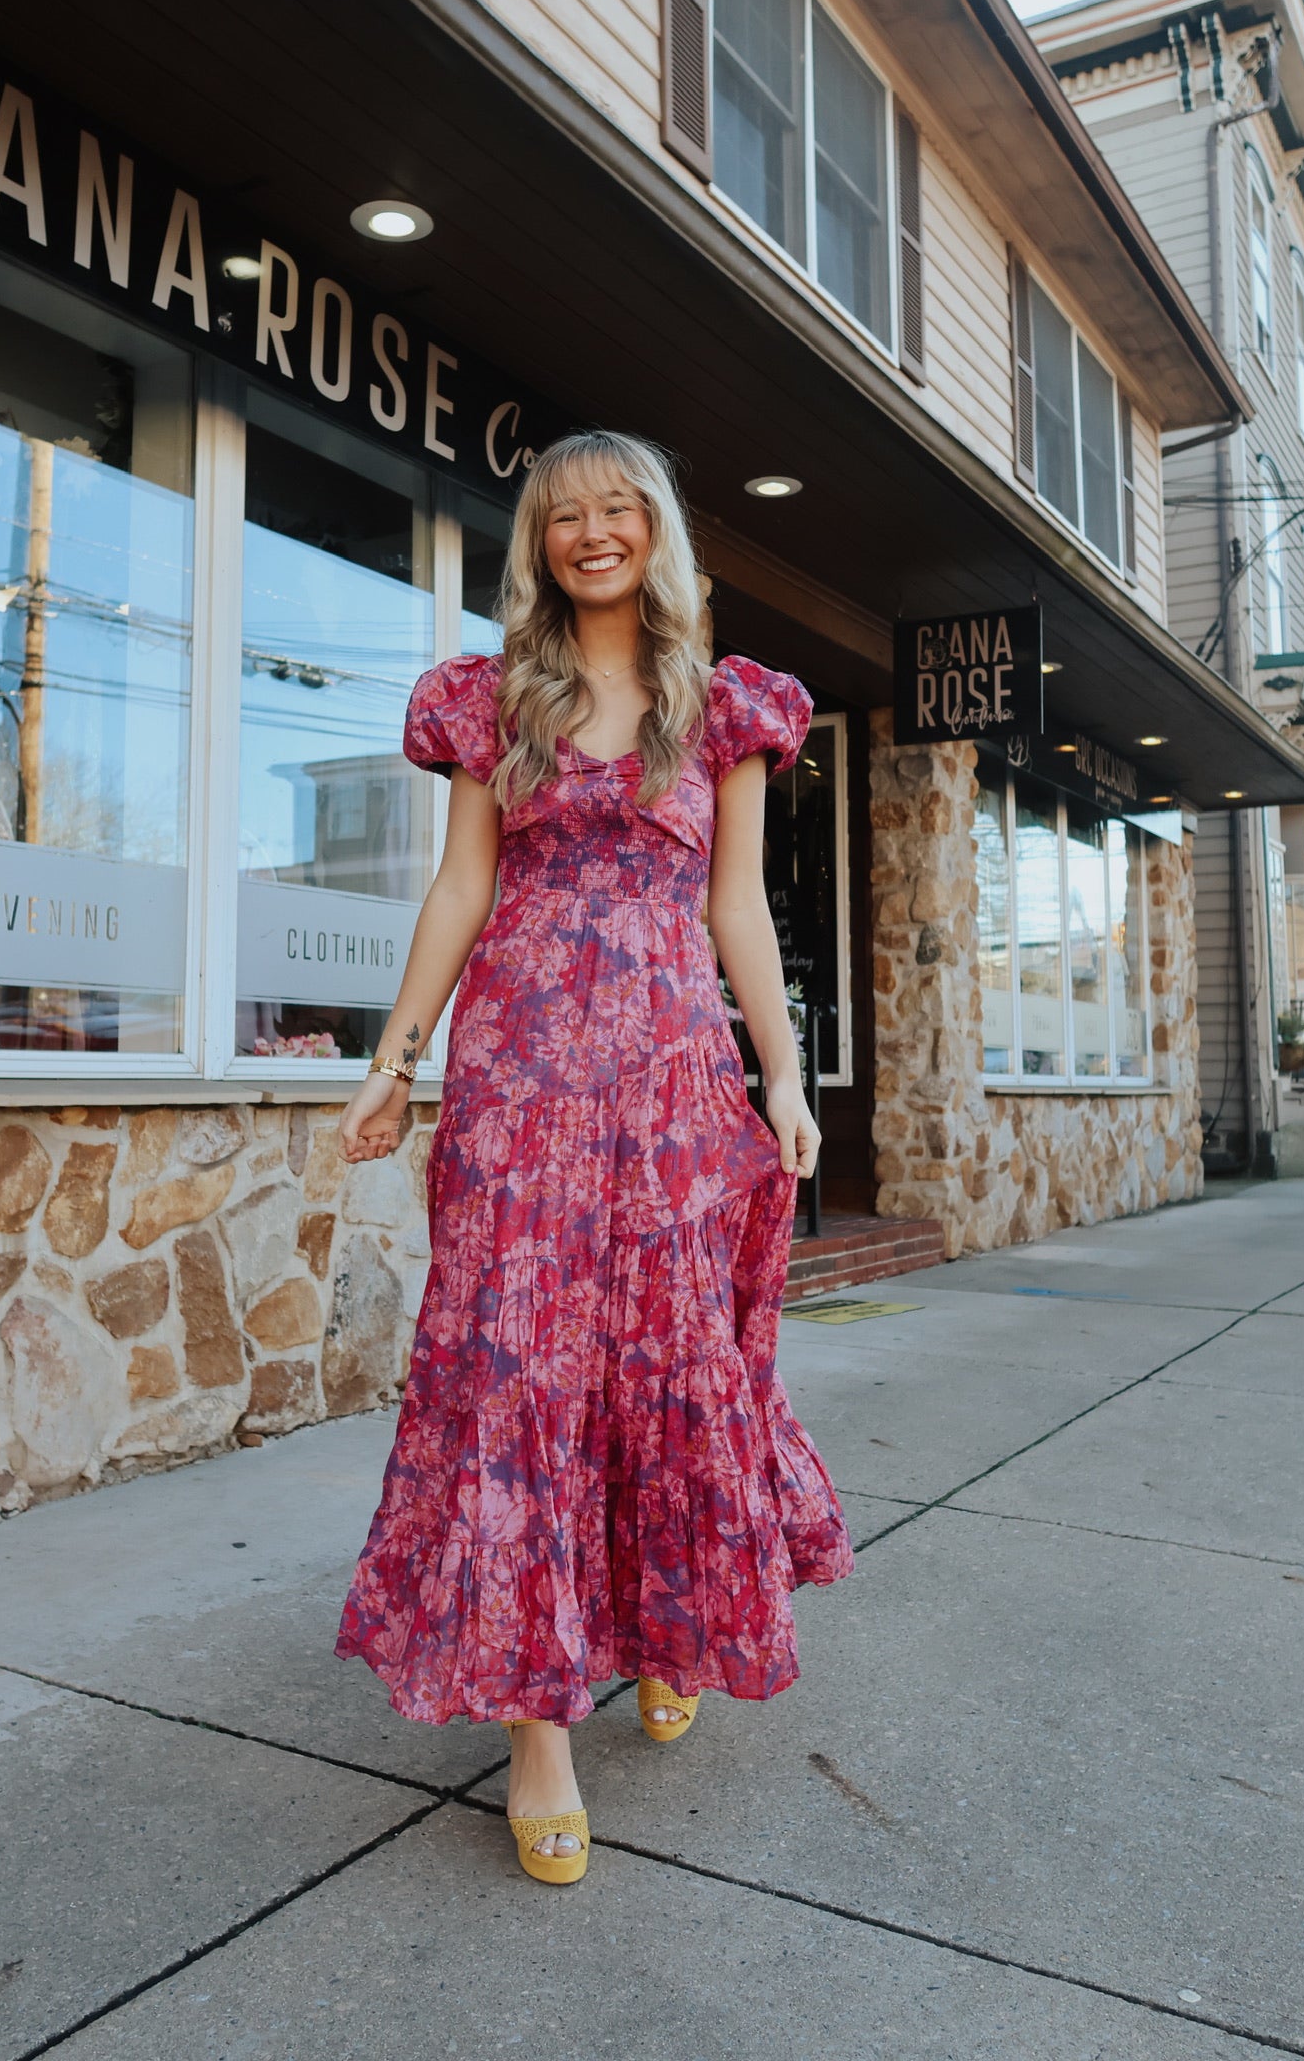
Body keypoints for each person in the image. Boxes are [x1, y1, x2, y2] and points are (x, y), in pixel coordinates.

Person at [335, 430, 853, 1885]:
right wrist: (394, 1063)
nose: (591, 532)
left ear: (659, 531)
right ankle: (539, 1736)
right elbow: (462, 884)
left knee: (659, 1364)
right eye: (564, 516)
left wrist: (786, 1074)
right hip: (517, 1087)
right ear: (538, 541)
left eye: (618, 509)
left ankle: (664, 1620)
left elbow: (738, 911)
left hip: (675, 1083)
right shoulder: (494, 697)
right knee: (520, 1375)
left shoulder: (725, 706)